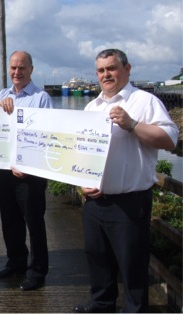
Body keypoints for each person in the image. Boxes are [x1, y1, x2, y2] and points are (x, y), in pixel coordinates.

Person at [73, 49, 179, 313]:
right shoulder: (91, 107)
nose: (106, 74)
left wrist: (132, 124)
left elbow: (169, 139)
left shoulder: (145, 101)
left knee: (132, 264)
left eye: (111, 68)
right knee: (97, 258)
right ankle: (101, 303)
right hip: (95, 201)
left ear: (127, 69)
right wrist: (81, 183)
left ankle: (134, 310)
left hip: (130, 202)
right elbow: (81, 152)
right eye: (101, 70)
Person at [0, 51, 53, 291]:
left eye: (22, 68)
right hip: (5, 169)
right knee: (10, 220)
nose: (17, 72)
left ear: (31, 69)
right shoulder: (1, 95)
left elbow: (46, 137)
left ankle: (37, 272)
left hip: (30, 173)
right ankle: (15, 262)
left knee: (34, 223)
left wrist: (29, 166)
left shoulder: (41, 97)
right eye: (13, 68)